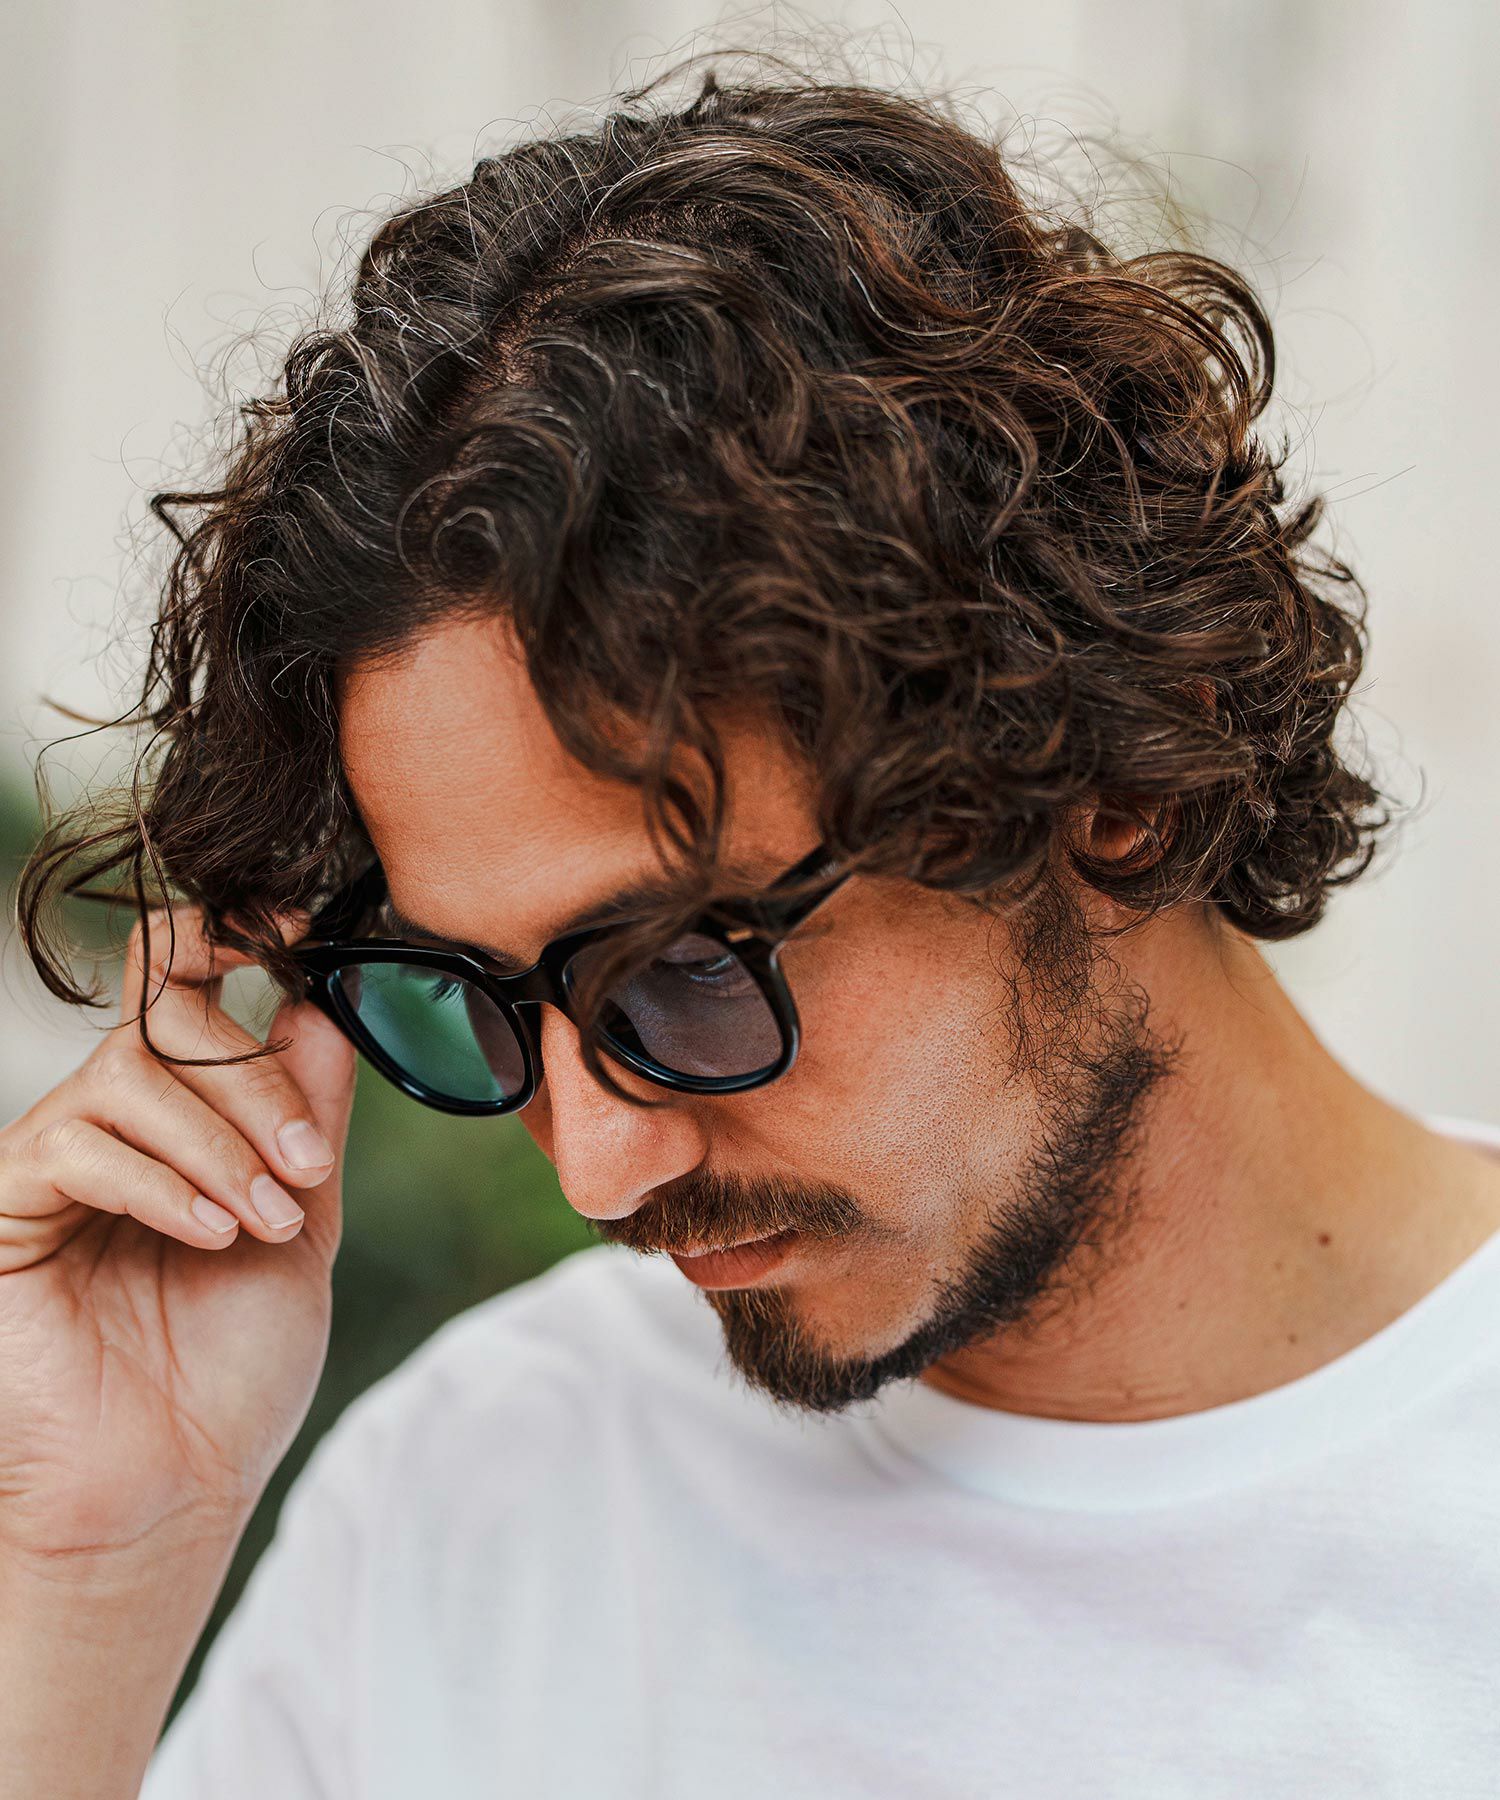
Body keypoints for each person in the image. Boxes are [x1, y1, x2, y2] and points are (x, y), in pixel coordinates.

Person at [4, 54, 1498, 1800]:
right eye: (476, 1001)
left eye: (684, 974)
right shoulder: (491, 1485)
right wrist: (90, 1572)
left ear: (1111, 791)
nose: (598, 1171)